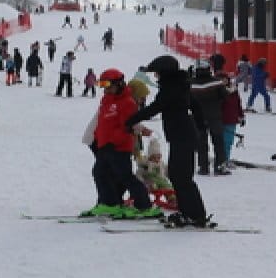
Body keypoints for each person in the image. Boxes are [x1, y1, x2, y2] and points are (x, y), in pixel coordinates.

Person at [126, 55, 211, 227]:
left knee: (181, 177)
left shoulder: (171, 88)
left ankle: (195, 215)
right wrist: (201, 126)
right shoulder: (180, 85)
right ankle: (190, 213)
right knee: (178, 175)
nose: (156, 76)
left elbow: (154, 108)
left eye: (158, 73)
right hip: (183, 134)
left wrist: (129, 120)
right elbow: (195, 106)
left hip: (182, 135)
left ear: (166, 72)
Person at [80, 69, 159, 219]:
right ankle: (110, 204)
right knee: (100, 173)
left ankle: (144, 206)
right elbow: (102, 124)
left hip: (119, 147)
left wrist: (112, 141)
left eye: (108, 85)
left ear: (119, 83)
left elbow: (127, 126)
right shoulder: (106, 100)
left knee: (125, 177)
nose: (106, 89)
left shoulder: (127, 103)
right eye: (102, 85)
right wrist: (98, 139)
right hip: (104, 145)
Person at [190, 59, 230, 176]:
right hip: (214, 116)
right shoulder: (217, 83)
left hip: (197, 118)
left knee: (201, 143)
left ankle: (203, 167)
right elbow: (225, 97)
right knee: (218, 142)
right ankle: (220, 167)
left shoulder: (190, 84)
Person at [135, 137, 176, 209]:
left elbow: (167, 172)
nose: (157, 160)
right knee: (153, 185)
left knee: (168, 187)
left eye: (159, 157)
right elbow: (139, 174)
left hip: (162, 182)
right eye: (154, 157)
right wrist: (141, 182)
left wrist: (173, 175)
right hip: (150, 183)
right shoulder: (146, 165)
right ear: (150, 157)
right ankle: (141, 200)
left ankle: (172, 200)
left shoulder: (161, 164)